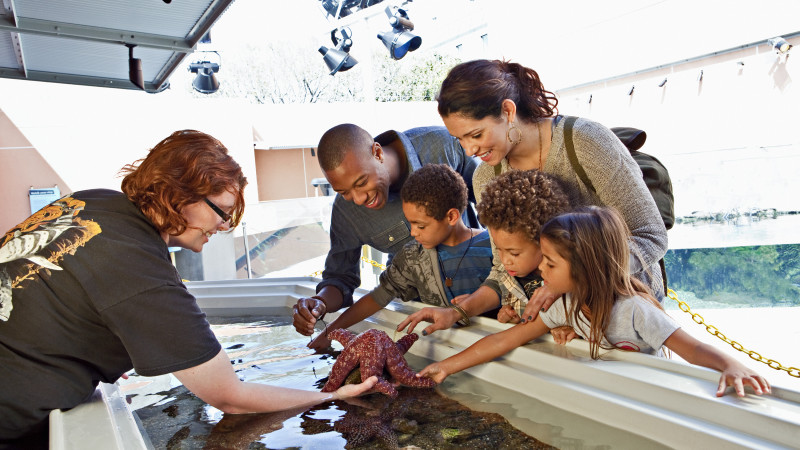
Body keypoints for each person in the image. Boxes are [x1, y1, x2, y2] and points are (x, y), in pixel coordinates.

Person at [0, 130, 376, 447]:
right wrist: (330, 396)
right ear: (178, 193)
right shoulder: (138, 265)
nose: (225, 225)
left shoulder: (92, 201)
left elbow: (60, 298)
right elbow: (231, 397)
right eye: (222, 211)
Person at [417, 206, 771, 399]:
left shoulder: (635, 310)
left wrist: (729, 364)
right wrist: (448, 366)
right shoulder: (565, 305)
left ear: (585, 266)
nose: (540, 267)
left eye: (550, 263)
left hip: (648, 394)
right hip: (612, 393)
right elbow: (505, 339)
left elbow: (691, 349)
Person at [432, 58, 668, 328]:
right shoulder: (486, 176)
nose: (469, 150)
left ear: (508, 111)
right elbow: (503, 269)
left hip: (624, 311)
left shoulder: (584, 142)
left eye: (475, 134)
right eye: (459, 139)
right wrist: (462, 310)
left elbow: (651, 236)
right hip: (555, 320)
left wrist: (572, 279)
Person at [292, 123, 479, 336]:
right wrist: (319, 303)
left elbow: (494, 209)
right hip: (418, 318)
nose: (358, 199)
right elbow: (341, 278)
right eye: (344, 192)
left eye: (362, 182)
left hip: (479, 302)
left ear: (378, 153)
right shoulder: (346, 212)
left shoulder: (443, 145)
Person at [307, 164, 492, 349]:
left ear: (451, 216)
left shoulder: (495, 248)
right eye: (409, 223)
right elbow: (377, 297)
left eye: (420, 226)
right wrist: (330, 332)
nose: (412, 233)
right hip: (442, 349)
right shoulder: (412, 257)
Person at [399, 169, 573, 338]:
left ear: (544, 242)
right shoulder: (507, 277)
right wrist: (507, 315)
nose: (505, 261)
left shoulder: (569, 283)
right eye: (498, 249)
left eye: (514, 253)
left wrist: (573, 326)